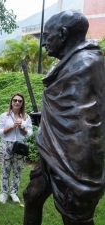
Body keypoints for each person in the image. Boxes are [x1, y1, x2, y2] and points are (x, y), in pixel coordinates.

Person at [23, 10, 105, 225]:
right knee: (32, 195)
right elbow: (72, 110)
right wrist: (48, 116)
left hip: (75, 159)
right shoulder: (69, 63)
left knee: (75, 217)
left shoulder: (86, 63)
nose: (43, 43)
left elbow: (86, 121)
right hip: (52, 151)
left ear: (63, 33)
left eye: (47, 35)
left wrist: (55, 120)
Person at [0, 93, 33, 204]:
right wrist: (12, 126)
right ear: (11, 102)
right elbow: (0, 132)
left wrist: (22, 128)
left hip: (20, 146)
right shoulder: (4, 116)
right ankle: (3, 193)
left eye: (20, 101)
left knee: (17, 171)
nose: (17, 102)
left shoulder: (26, 117)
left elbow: (30, 133)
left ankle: (13, 193)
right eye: (15, 100)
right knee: (5, 170)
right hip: (6, 145)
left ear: (22, 104)